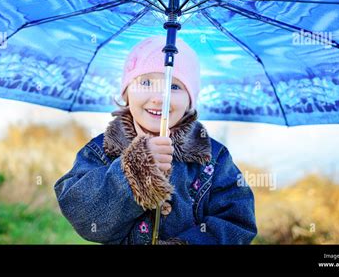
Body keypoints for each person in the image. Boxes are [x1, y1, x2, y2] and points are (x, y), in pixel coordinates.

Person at [54, 35, 257, 244]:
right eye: (146, 83)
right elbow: (86, 219)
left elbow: (238, 223)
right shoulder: (103, 149)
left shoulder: (213, 158)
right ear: (126, 93)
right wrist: (137, 169)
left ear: (190, 101)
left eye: (174, 86)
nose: (159, 97)